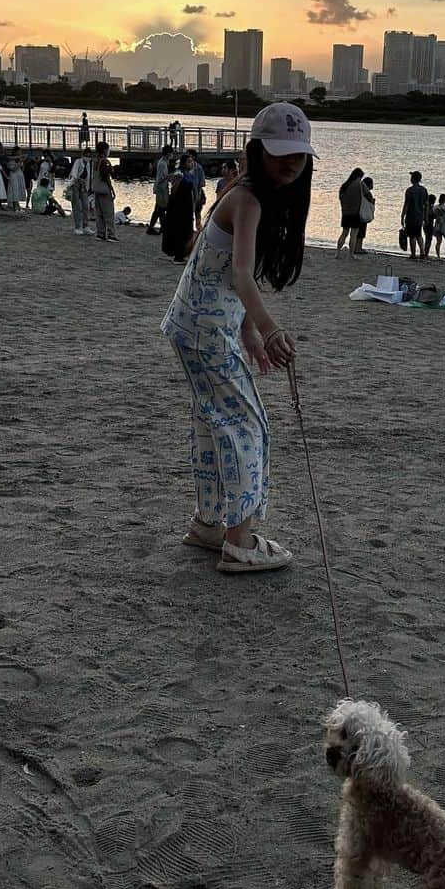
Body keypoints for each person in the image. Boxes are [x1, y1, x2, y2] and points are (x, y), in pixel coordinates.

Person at [160, 101, 314, 573]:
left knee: (214, 423)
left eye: (299, 154)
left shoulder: (248, 196)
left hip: (196, 326)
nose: (290, 162)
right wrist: (269, 330)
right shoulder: (246, 198)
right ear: (257, 150)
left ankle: (210, 524)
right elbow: (244, 274)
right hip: (205, 331)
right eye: (279, 152)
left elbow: (220, 269)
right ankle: (240, 540)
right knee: (248, 427)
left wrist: (246, 327)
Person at [161, 166, 193, 260]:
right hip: (181, 218)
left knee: (178, 236)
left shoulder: (177, 190)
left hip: (176, 218)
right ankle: (179, 256)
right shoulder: (183, 188)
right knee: (181, 237)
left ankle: (177, 254)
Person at [90, 140, 117, 240]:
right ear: (104, 150)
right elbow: (106, 177)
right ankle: (111, 234)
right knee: (108, 213)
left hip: (96, 189)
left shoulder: (96, 161)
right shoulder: (104, 162)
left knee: (99, 213)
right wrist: (112, 190)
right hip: (104, 190)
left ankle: (100, 233)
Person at [336, 167, 365, 256]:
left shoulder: (344, 185)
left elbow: (340, 198)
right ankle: (351, 254)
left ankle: (337, 253)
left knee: (344, 233)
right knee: (353, 234)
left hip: (345, 213)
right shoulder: (360, 184)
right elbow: (368, 194)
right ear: (359, 176)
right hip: (355, 213)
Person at [401, 171, 429, 260]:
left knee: (412, 236)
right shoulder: (424, 190)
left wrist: (402, 216)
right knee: (419, 235)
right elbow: (426, 205)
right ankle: (422, 252)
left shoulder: (410, 190)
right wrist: (426, 217)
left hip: (411, 216)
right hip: (420, 216)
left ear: (413, 179)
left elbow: (406, 204)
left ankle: (413, 254)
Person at [147, 145, 173, 234]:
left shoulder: (163, 162)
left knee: (159, 208)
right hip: (161, 188)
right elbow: (162, 178)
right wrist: (171, 176)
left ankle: (155, 227)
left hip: (161, 188)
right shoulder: (162, 164)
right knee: (161, 208)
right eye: (171, 153)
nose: (172, 155)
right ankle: (162, 227)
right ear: (168, 154)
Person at [67, 147, 92, 234]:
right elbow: (74, 173)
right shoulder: (78, 162)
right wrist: (75, 180)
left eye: (89, 156)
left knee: (86, 206)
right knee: (77, 206)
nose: (87, 157)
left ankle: (86, 226)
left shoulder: (89, 164)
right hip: (76, 184)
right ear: (83, 155)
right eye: (86, 155)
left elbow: (89, 177)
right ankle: (77, 227)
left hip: (84, 186)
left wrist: (89, 187)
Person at [181, 150, 206, 231]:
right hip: (187, 194)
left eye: (189, 155)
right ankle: (189, 229)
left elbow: (201, 183)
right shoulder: (183, 169)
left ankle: (198, 229)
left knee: (197, 212)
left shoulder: (199, 168)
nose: (187, 156)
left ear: (194, 157)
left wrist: (198, 195)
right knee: (188, 213)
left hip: (197, 192)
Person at [352, 176, 376, 256]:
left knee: (356, 231)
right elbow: (370, 200)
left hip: (356, 212)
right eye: (372, 184)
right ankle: (358, 248)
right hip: (362, 213)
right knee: (361, 232)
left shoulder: (358, 191)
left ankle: (355, 247)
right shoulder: (366, 192)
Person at [432, 193, 445, 260]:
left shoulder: (435, 207)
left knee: (438, 241)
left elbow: (434, 216)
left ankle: (438, 256)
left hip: (437, 225)